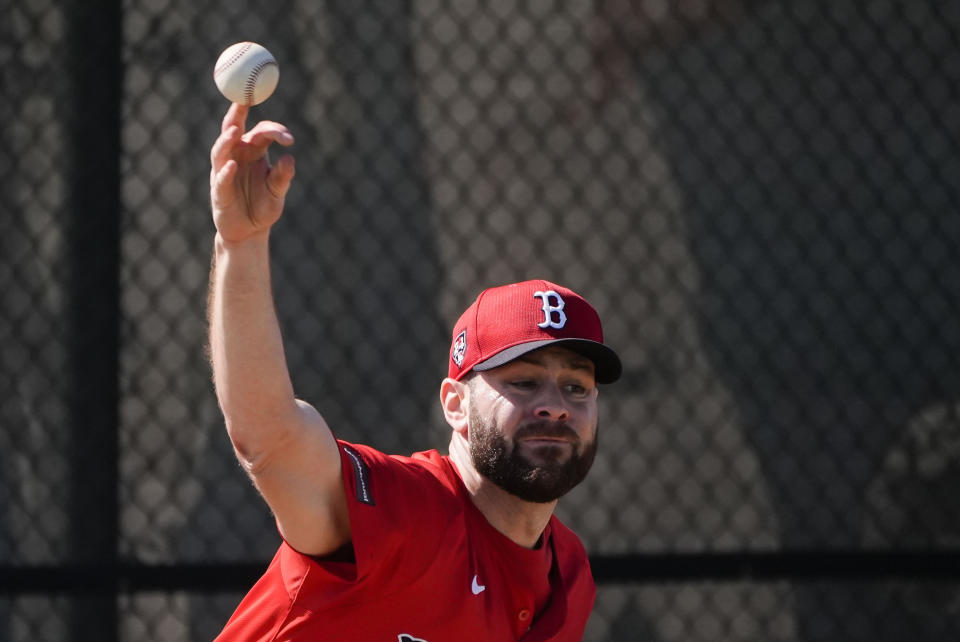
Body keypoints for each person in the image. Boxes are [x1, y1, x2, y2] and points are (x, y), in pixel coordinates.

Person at [208, 103, 622, 641]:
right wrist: (240, 245)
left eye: (576, 386)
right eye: (523, 381)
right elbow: (269, 437)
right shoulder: (401, 513)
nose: (554, 404)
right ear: (454, 403)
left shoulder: (567, 576)